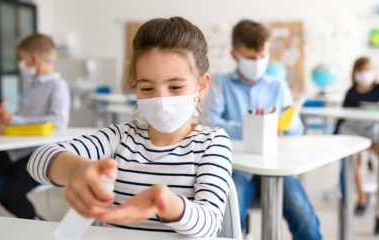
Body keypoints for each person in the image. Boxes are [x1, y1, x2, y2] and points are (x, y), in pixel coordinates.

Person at [27, 17, 232, 237]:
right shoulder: (121, 137)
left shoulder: (212, 144)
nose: (161, 99)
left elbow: (210, 224)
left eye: (175, 87)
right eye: (147, 88)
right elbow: (38, 159)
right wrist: (76, 170)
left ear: (201, 86)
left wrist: (166, 203)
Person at [204, 19, 322, 239]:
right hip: (238, 168)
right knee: (227, 222)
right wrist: (257, 129)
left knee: (305, 217)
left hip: (276, 167)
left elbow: (295, 131)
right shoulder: (220, 84)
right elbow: (210, 124)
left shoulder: (277, 86)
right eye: (250, 58)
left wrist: (288, 121)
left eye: (262, 57)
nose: (257, 62)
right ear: (234, 55)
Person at [0, 33, 70, 220]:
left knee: (9, 194)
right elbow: (21, 118)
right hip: (15, 150)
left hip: (39, 153)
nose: (21, 64)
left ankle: (37, 224)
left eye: (22, 59)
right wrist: (0, 120)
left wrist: (14, 119)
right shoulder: (32, 86)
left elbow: (57, 122)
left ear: (34, 58)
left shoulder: (58, 86)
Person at [336, 57, 379, 234]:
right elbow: (342, 117)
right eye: (362, 70)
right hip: (352, 131)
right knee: (350, 165)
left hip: (373, 130)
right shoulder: (351, 93)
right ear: (355, 73)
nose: (365, 74)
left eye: (369, 69)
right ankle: (361, 197)